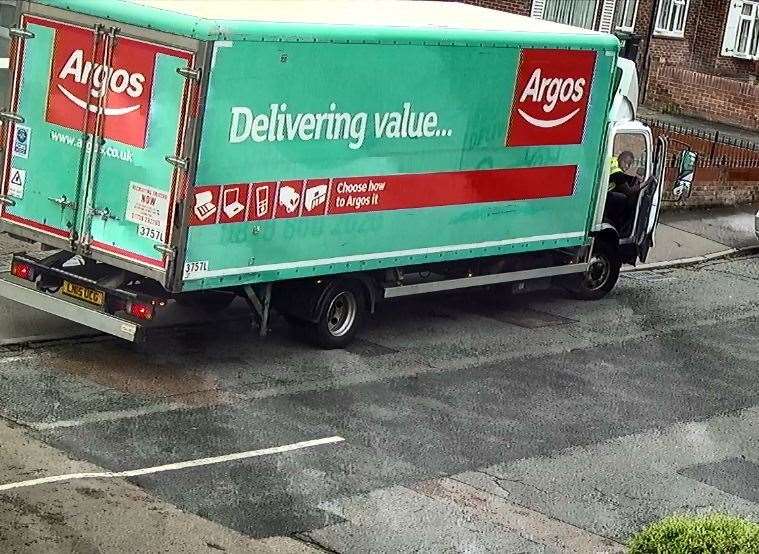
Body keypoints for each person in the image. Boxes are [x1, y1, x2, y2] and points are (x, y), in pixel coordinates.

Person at [605, 151, 643, 234]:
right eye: (625, 162)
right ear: (620, 158)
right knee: (623, 199)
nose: (627, 166)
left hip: (602, 193)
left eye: (629, 164)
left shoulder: (613, 162)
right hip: (601, 198)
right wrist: (644, 184)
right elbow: (628, 192)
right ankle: (619, 229)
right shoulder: (616, 172)